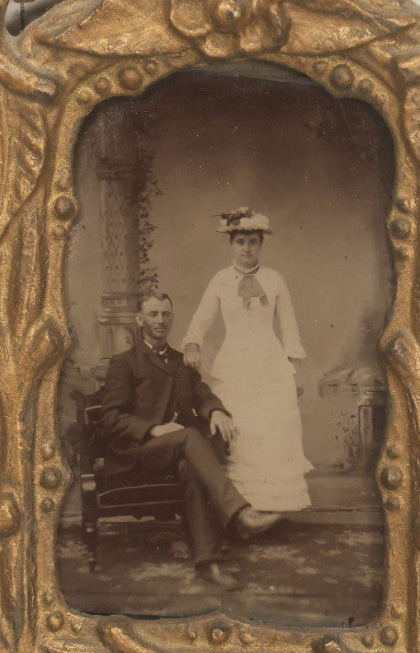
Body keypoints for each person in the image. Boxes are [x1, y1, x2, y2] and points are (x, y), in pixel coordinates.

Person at [98, 290, 273, 591]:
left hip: (179, 452)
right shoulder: (124, 362)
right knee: (190, 436)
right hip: (139, 454)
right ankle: (241, 514)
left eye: (166, 314)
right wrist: (153, 429)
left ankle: (210, 562)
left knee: (190, 468)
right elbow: (110, 418)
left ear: (172, 318)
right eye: (153, 314)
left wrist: (216, 411)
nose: (160, 321)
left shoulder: (181, 362)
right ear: (140, 320)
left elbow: (202, 393)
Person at [182, 208, 312, 526]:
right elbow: (201, 319)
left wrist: (294, 367)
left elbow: (289, 326)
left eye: (252, 242)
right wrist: (193, 343)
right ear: (231, 244)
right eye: (240, 242)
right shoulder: (221, 281)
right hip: (235, 364)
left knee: (272, 429)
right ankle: (241, 509)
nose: (246, 249)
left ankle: (271, 505)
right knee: (240, 430)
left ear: (260, 245)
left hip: (271, 364)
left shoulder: (274, 279)